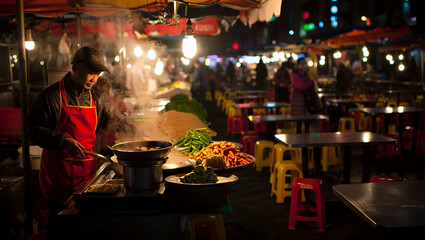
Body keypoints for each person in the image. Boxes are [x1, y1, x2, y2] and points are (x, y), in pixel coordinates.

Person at [27, 46, 137, 239]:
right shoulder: (50, 96)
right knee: (61, 230)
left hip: (87, 178)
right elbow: (33, 131)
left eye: (97, 73)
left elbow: (116, 121)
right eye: (90, 73)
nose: (94, 78)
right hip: (59, 177)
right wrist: (62, 140)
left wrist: (140, 135)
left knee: (85, 229)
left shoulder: (96, 98)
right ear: (75, 67)